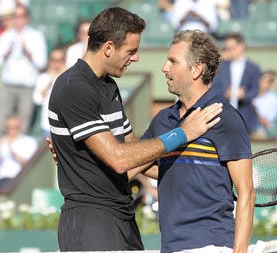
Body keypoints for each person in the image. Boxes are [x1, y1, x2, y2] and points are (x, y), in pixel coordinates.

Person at [48, 7, 222, 252]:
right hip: (90, 222)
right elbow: (120, 159)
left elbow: (134, 151)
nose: (136, 57)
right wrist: (182, 133)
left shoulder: (108, 87)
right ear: (108, 48)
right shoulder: (73, 87)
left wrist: (194, 175)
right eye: (131, 51)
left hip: (122, 216)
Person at [135, 30, 255, 253]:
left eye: (173, 61)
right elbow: (137, 163)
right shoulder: (162, 119)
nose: (164, 68)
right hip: (170, 246)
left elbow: (246, 191)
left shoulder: (224, 116)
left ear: (197, 69)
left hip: (212, 245)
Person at [0, 4, 47, 137]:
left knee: (23, 125)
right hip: (8, 86)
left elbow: (42, 63)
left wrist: (28, 53)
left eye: (21, 16)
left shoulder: (36, 36)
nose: (18, 20)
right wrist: (7, 52)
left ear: (27, 18)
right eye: (15, 16)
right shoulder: (6, 36)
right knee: (0, 124)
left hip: (27, 87)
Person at [212, 32, 261, 134]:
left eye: (232, 48)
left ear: (242, 46)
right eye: (227, 48)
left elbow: (255, 91)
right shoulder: (221, 67)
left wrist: (244, 95)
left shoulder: (253, 68)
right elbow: (213, 88)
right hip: (223, 117)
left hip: (245, 117)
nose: (230, 51)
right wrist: (225, 94)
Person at [0, 114, 38, 190]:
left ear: (20, 127)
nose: (12, 130)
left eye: (15, 127)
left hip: (19, 180)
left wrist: (13, 153)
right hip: (1, 180)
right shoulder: (0, 142)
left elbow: (31, 164)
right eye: (9, 128)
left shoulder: (29, 142)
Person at [33, 47, 66, 137]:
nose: (56, 63)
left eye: (60, 60)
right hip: (47, 125)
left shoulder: (69, 77)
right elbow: (37, 100)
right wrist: (50, 80)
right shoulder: (43, 78)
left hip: (65, 126)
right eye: (54, 60)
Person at [252, 70, 277, 138]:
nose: (263, 83)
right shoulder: (250, 96)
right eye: (262, 80)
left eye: (267, 82)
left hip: (265, 135)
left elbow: (268, 124)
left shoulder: (274, 99)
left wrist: (254, 112)